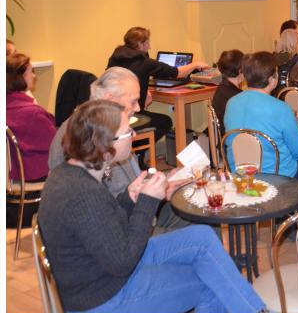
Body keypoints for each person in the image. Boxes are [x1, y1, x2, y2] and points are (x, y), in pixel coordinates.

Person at [38, 100, 266, 313]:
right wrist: (147, 201)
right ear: (106, 145)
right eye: (128, 132)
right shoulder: (84, 194)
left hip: (101, 271)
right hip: (102, 298)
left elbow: (102, 227)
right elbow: (123, 261)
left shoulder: (67, 174)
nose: (133, 134)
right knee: (212, 282)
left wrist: (130, 198)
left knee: (202, 237)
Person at [48, 67, 193, 234]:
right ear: (110, 99)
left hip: (134, 213)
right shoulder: (89, 136)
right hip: (129, 228)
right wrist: (156, 195)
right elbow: (112, 210)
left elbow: (129, 188)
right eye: (133, 101)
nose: (138, 108)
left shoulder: (106, 127)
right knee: (201, 226)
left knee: (196, 210)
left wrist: (162, 183)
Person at [224, 52, 298, 187]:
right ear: (272, 80)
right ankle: (296, 198)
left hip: (239, 173)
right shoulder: (281, 108)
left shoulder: (231, 103)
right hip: (276, 175)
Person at [107, 27, 208, 144]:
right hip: (131, 116)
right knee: (165, 122)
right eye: (147, 43)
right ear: (140, 44)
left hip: (111, 115)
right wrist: (195, 64)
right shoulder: (144, 62)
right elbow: (177, 73)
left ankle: (131, 148)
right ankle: (136, 149)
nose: (149, 47)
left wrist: (144, 90)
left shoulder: (115, 58)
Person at [6, 53, 55, 182]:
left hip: (13, 173)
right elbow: (57, 144)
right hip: (34, 173)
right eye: (31, 72)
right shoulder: (33, 114)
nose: (34, 76)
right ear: (20, 78)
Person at [211, 49, 244, 132]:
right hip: (231, 137)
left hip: (222, 136)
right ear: (240, 70)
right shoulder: (238, 97)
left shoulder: (221, 88)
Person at [274, 28, 298, 93]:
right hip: (291, 92)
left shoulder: (274, 56)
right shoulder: (296, 58)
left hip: (276, 91)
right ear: (295, 41)